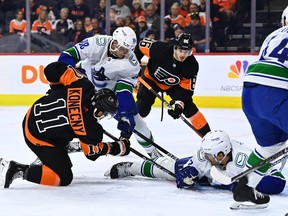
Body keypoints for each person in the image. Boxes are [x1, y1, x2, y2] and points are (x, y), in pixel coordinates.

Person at [0, 61, 130, 188]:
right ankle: (17, 170)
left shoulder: (83, 85)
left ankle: (64, 147)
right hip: (36, 138)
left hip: (33, 113)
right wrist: (117, 147)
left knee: (68, 131)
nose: (103, 116)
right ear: (99, 108)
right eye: (104, 113)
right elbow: (91, 152)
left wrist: (56, 88)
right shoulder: (91, 129)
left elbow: (50, 70)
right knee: (64, 177)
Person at [58, 26, 162, 158]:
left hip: (109, 93)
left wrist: (124, 113)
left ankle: (153, 153)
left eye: (128, 50)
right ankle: (59, 144)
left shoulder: (132, 63)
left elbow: (124, 91)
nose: (125, 53)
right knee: (71, 115)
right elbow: (67, 55)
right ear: (115, 42)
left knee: (136, 121)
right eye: (123, 49)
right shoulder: (96, 43)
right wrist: (70, 78)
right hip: (85, 84)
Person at [229, 6, 288, 209]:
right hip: (277, 92)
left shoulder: (274, 35)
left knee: (271, 147)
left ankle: (245, 188)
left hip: (250, 94)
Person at [105, 130, 285, 195]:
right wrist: (185, 177)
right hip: (214, 176)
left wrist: (240, 184)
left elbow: (278, 182)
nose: (205, 157)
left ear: (222, 154)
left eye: (210, 155)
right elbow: (185, 176)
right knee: (169, 169)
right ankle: (130, 168)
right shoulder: (205, 155)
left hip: (223, 176)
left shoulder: (243, 159)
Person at [135, 33, 211, 138]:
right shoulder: (160, 49)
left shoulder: (191, 65)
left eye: (186, 52)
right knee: (142, 107)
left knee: (190, 110)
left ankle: (209, 138)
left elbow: (185, 91)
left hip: (174, 86)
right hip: (151, 79)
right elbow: (140, 45)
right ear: (175, 48)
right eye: (180, 51)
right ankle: (126, 135)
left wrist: (179, 104)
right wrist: (133, 67)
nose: (182, 55)